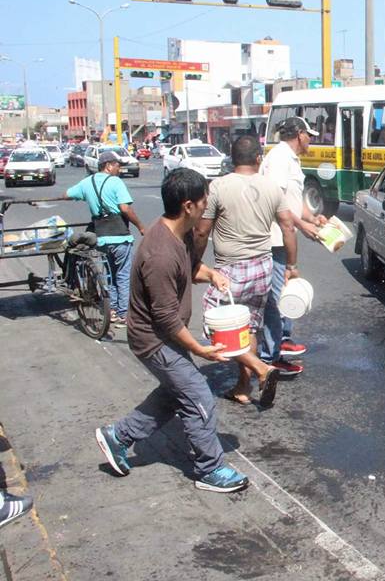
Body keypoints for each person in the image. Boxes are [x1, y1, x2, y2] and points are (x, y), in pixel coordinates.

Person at [95, 168, 264, 493]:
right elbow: (166, 318)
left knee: (176, 393)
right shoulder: (159, 253)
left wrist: (211, 274)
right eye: (204, 200)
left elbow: (188, 267)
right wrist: (200, 349)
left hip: (165, 336)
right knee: (198, 394)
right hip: (154, 340)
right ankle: (209, 469)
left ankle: (118, 436)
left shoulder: (179, 232)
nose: (207, 206)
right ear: (189, 205)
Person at [194, 135, 296, 405]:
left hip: (231, 268)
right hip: (262, 266)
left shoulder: (218, 186)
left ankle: (261, 369)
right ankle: (243, 386)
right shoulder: (271, 187)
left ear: (232, 158)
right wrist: (292, 265)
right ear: (258, 158)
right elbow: (288, 227)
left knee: (214, 325)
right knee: (247, 327)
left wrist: (193, 260)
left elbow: (203, 231)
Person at [258, 117, 327, 375]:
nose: (311, 139)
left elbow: (293, 199)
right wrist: (301, 224)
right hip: (275, 238)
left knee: (283, 290)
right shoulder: (279, 158)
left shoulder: (290, 158)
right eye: (309, 135)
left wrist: (311, 217)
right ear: (299, 134)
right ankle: (269, 356)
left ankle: (280, 341)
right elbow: (277, 201)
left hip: (284, 235)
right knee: (276, 298)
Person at [64, 151, 145, 326]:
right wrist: (140, 226)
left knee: (109, 274)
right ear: (108, 166)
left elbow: (68, 194)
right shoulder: (116, 182)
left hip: (100, 238)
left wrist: (85, 196)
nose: (119, 169)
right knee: (123, 275)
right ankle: (124, 314)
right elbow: (125, 208)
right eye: (117, 165)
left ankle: (113, 310)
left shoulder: (87, 182)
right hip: (119, 236)